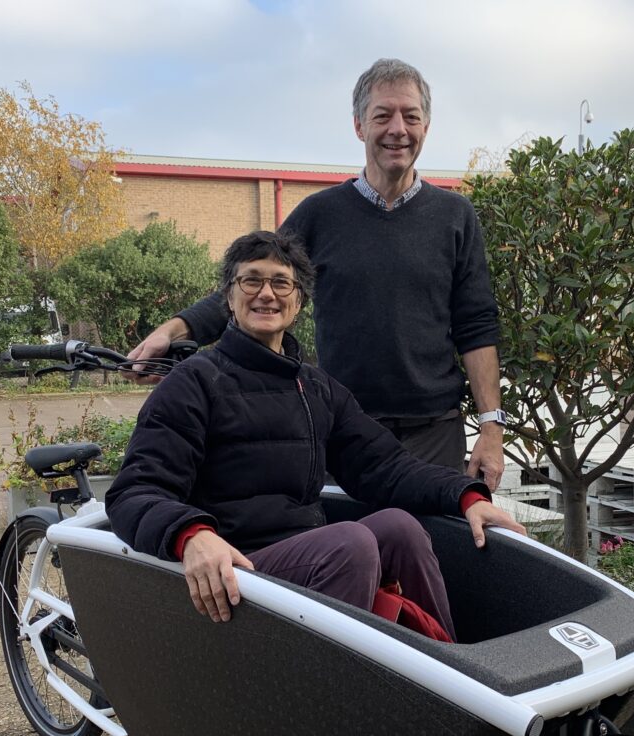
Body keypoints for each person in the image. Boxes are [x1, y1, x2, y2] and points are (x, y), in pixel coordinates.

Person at [107, 231, 526, 640]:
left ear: (299, 303)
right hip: (235, 569)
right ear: (229, 299)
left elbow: (385, 466)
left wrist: (467, 496)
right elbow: (135, 491)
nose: (266, 293)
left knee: (400, 527)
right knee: (351, 542)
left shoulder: (317, 389)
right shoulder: (193, 383)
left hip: (307, 556)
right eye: (251, 280)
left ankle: (444, 671)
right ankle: (335, 697)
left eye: (281, 282)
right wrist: (192, 535)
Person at [126, 58, 507, 491]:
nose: (398, 128)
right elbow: (251, 287)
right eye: (383, 115)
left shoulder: (455, 216)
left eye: (411, 116)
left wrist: (491, 429)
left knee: (433, 554)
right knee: (351, 551)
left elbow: (477, 325)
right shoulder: (320, 215)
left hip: (435, 432)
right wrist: (173, 330)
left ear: (426, 126)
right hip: (340, 430)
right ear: (360, 126)